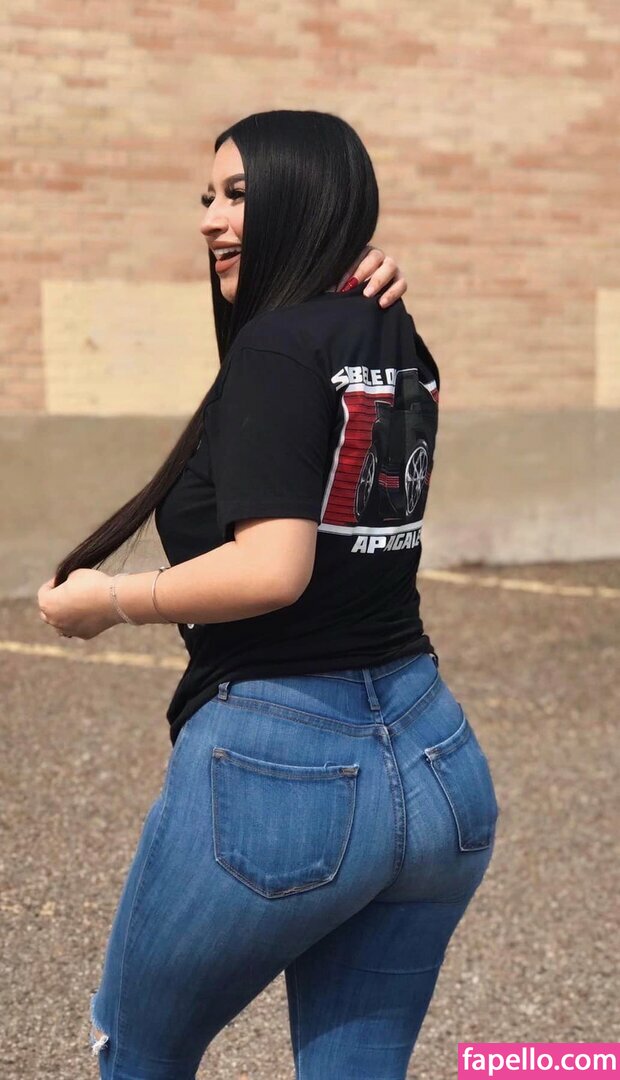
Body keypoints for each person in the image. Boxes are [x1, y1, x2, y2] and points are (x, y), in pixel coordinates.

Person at [37, 110, 500, 1079]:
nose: (211, 218)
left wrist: (108, 601)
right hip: (436, 759)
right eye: (207, 197)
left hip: (283, 770)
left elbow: (271, 569)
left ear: (307, 200)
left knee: (136, 1049)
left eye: (240, 195)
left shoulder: (277, 347)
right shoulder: (393, 331)